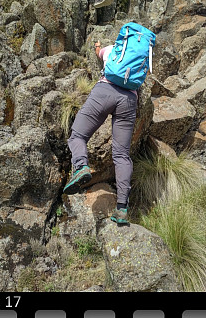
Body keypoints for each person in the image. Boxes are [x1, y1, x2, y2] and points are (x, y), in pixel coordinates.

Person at [63, 37, 149, 224]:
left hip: (104, 91)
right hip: (129, 100)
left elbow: (98, 54)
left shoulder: (113, 49)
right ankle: (122, 209)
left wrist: (97, 46)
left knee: (78, 135)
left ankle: (81, 166)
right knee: (121, 155)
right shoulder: (144, 55)